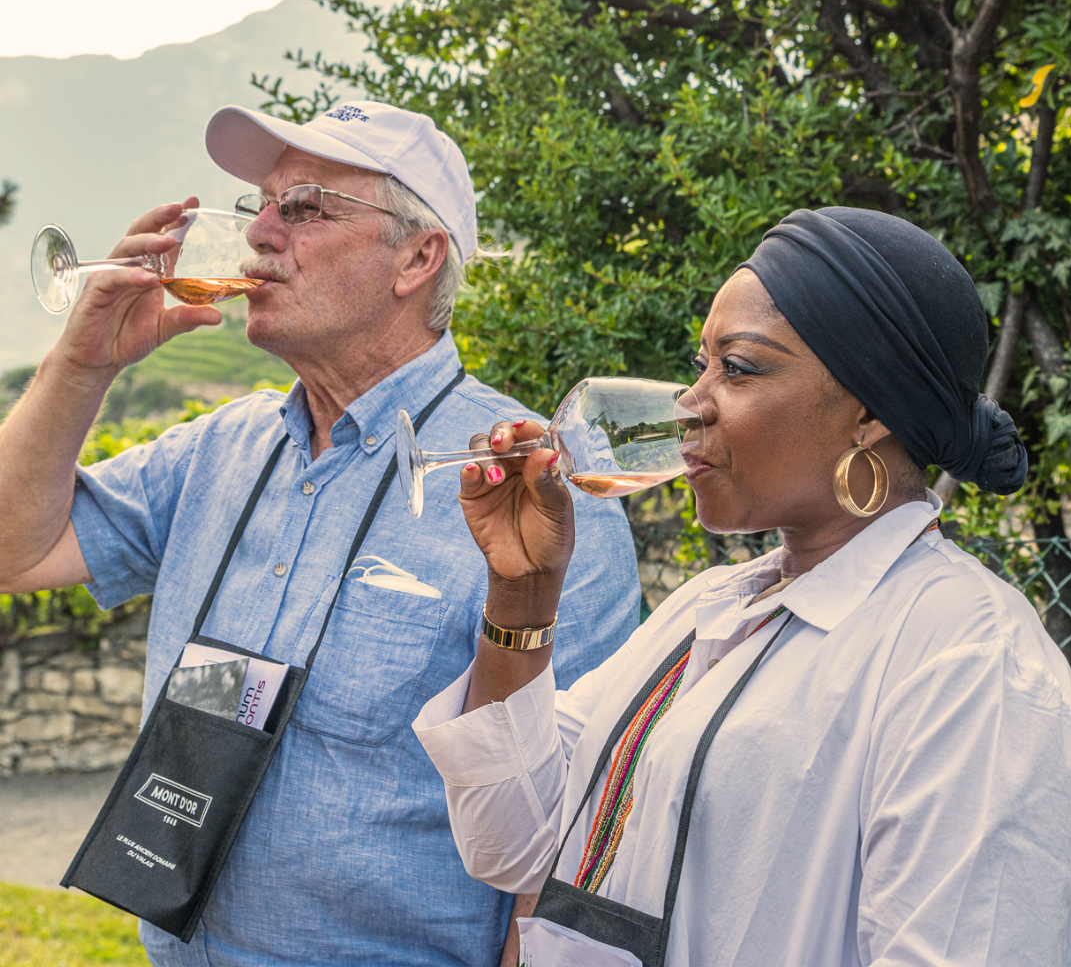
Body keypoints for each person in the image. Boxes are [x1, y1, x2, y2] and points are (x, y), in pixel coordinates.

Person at [0, 101, 641, 966]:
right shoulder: (218, 449)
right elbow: (15, 549)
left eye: (302, 206)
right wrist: (82, 363)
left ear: (418, 257)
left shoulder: (536, 490)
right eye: (261, 205)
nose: (258, 233)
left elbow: (578, 838)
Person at [414, 207, 1071, 966]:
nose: (690, 404)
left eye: (738, 368)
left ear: (868, 412)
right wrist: (523, 594)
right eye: (701, 365)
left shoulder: (969, 664)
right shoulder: (708, 608)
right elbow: (513, 842)